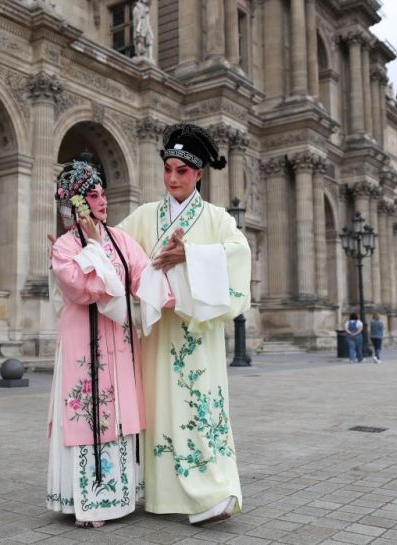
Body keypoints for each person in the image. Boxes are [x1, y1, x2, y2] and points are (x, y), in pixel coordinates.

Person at [119, 123, 251, 524]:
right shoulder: (144, 216)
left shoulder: (217, 218)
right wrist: (82, 238)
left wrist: (190, 255)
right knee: (160, 412)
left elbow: (238, 253)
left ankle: (211, 492)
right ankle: (162, 495)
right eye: (168, 169)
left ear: (198, 175)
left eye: (182, 171)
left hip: (198, 337)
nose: (173, 178)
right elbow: (118, 251)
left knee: (199, 411)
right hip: (157, 338)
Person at [46, 159, 154, 528]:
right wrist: (93, 248)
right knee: (87, 411)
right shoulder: (64, 246)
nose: (103, 201)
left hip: (119, 342)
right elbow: (83, 287)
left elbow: (143, 278)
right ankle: (86, 500)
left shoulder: (123, 241)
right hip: (82, 342)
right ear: (77, 203)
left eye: (104, 193)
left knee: (119, 410)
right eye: (94, 195)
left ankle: (119, 497)